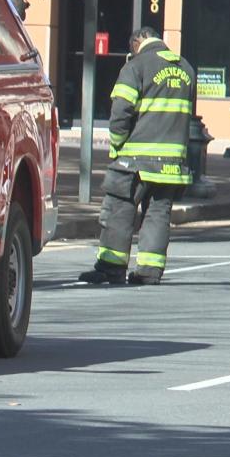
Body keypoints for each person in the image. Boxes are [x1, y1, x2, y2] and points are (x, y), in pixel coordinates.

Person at [79, 27, 195, 285]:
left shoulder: (136, 66)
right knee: (158, 213)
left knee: (119, 208)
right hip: (172, 162)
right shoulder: (186, 69)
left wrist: (117, 146)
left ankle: (111, 267)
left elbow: (120, 112)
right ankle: (149, 271)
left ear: (137, 42)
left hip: (136, 158)